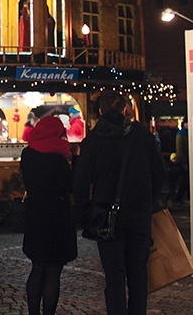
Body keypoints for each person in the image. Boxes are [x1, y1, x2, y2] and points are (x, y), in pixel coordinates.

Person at [73, 91, 166, 315]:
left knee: (114, 275)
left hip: (106, 216)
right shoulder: (143, 137)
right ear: (125, 109)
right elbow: (160, 175)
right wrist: (148, 200)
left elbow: (80, 181)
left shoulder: (93, 141)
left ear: (101, 112)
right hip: (139, 214)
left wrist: (84, 211)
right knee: (138, 273)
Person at [20, 116, 77, 315]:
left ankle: (33, 312)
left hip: (35, 214)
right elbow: (68, 186)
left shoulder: (27, 154)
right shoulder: (58, 157)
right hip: (57, 216)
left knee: (37, 267)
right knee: (53, 272)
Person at [175, 118, 189, 205]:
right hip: (184, 161)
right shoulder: (181, 134)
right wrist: (183, 163)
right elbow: (180, 150)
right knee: (185, 180)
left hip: (186, 160)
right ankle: (179, 197)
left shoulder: (184, 133)